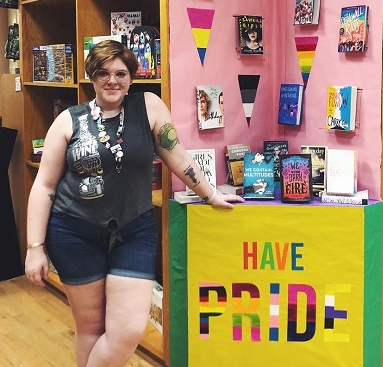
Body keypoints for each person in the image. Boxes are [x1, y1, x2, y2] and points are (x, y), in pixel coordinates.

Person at [24, 40, 244, 367]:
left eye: (120, 73)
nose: (112, 80)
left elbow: (177, 156)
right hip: (74, 233)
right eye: (102, 73)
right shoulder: (70, 120)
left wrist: (211, 195)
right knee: (89, 328)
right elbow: (44, 186)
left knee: (127, 330)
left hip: (134, 231)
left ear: (130, 77)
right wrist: (35, 247)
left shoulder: (149, 106)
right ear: (91, 77)